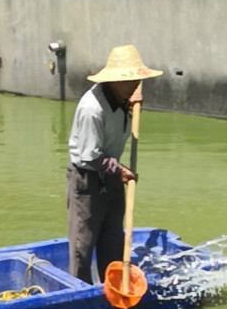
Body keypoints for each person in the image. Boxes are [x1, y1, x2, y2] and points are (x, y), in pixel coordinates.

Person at [66, 44, 162, 283]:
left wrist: (129, 108)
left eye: (137, 81)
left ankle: (113, 283)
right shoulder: (92, 109)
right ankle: (79, 290)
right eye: (130, 81)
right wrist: (120, 171)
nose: (135, 86)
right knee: (83, 244)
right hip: (87, 178)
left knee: (112, 238)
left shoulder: (124, 99)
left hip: (111, 174)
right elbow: (90, 155)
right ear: (114, 81)